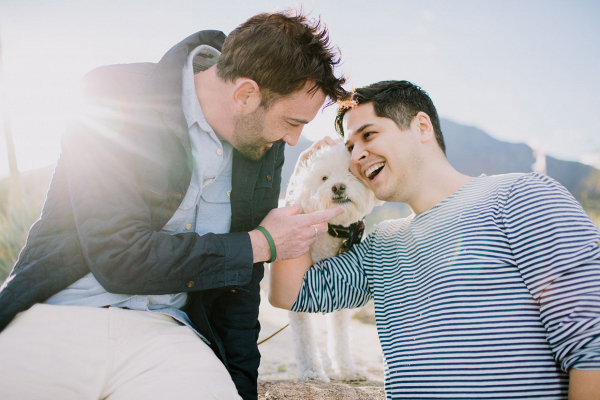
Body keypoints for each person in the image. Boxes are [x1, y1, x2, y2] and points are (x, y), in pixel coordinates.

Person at [0, 10, 346, 400]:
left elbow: (240, 287)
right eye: (293, 121)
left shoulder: (263, 147)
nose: (294, 139)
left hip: (170, 336)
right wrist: (261, 244)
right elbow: (118, 255)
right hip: (56, 316)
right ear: (245, 95)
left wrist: (241, 388)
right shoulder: (112, 94)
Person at [269, 80, 600, 399]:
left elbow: (592, 343)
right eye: (351, 147)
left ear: (422, 127)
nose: (357, 156)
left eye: (369, 135)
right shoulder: (382, 243)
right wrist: (302, 179)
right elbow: (291, 294)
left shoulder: (521, 196)